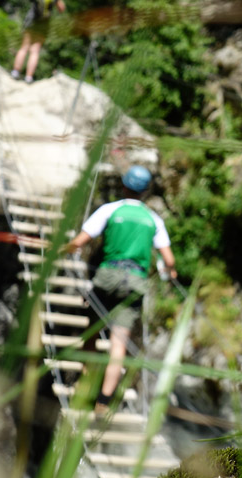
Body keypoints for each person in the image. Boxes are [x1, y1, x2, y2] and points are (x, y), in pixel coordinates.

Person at [65, 166, 177, 416]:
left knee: (92, 335)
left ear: (124, 186)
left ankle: (84, 386)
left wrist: (65, 248)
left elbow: (80, 242)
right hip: (135, 282)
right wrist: (171, 271)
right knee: (119, 343)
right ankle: (103, 402)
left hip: (107, 277)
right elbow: (168, 259)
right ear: (146, 191)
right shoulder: (153, 219)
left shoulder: (110, 209)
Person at [11, 0, 66, 84]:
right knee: (35, 51)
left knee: (24, 48)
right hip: (43, 24)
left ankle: (15, 72)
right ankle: (28, 77)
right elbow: (62, 8)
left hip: (31, 20)